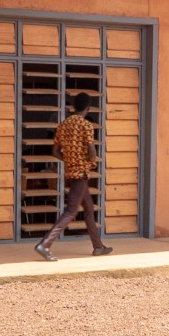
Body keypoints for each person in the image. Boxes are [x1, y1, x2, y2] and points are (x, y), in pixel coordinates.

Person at [34, 92, 112, 261]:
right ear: (88, 107)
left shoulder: (63, 125)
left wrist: (69, 160)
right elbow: (92, 151)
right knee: (71, 210)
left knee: (89, 209)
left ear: (74, 106)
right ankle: (45, 244)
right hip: (81, 174)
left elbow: (55, 151)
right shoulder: (86, 125)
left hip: (71, 172)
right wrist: (90, 161)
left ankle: (98, 246)